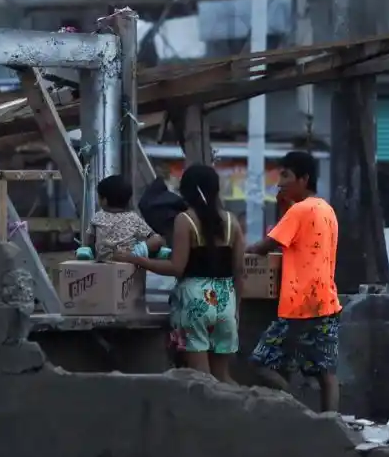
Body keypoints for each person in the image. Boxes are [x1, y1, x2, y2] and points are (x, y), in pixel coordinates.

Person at [119, 165, 244, 383]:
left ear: (186, 191)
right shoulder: (231, 222)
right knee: (223, 377)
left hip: (194, 301)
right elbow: (240, 270)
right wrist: (236, 309)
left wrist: (138, 260)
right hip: (226, 301)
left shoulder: (185, 220)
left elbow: (176, 267)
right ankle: (242, 405)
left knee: (202, 378)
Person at [246, 151, 342, 412]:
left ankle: (297, 408)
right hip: (326, 302)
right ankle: (331, 423)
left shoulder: (299, 210)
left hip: (299, 305)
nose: (280, 183)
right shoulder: (326, 209)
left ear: (304, 178)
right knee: (326, 372)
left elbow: (264, 247)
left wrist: (242, 252)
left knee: (260, 362)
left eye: (285, 176)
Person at [85, 175, 163, 261]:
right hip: (128, 259)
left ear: (104, 201)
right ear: (128, 200)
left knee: (85, 250)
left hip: (104, 259)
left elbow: (89, 241)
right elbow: (151, 236)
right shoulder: (133, 218)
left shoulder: (97, 217)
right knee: (157, 239)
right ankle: (137, 253)